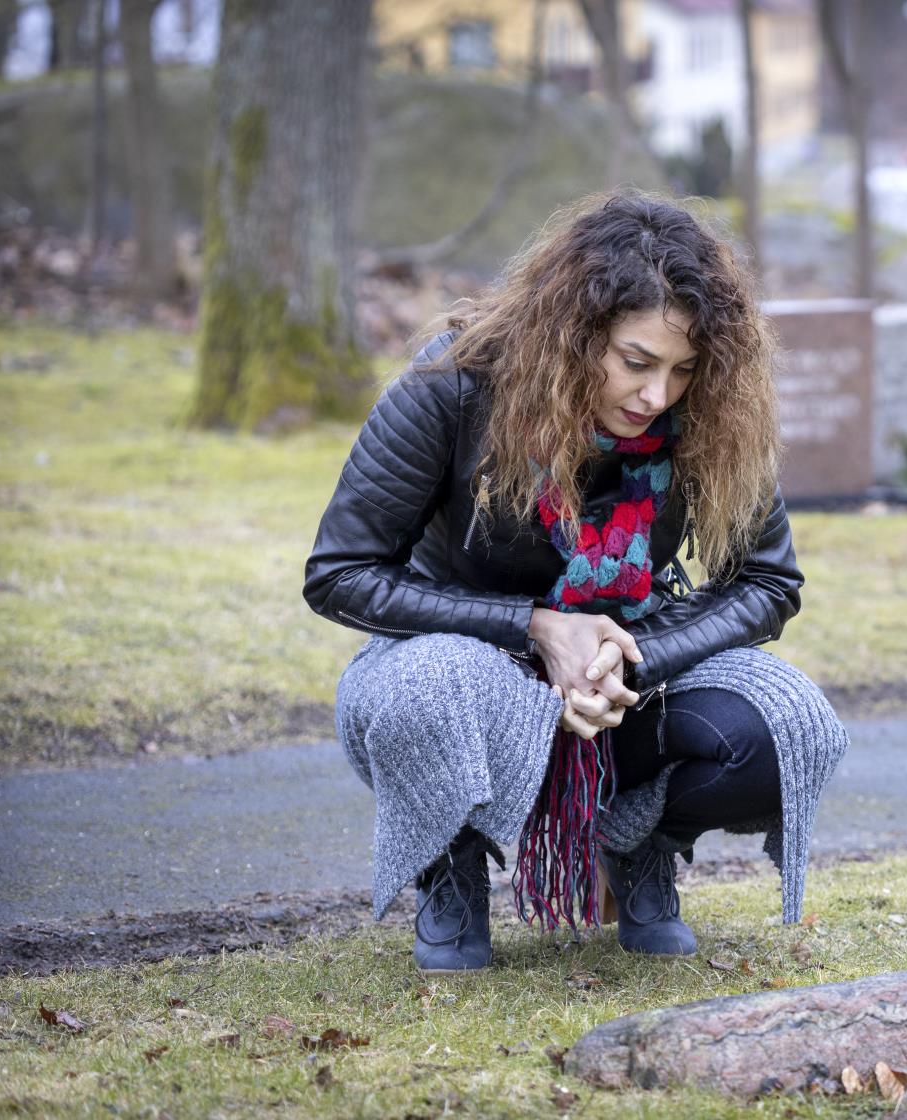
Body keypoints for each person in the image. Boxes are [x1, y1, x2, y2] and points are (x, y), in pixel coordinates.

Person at [302, 191, 848, 974]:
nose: (657, 395)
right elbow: (339, 575)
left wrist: (633, 656)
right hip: (460, 664)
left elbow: (767, 582)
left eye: (683, 369)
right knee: (433, 683)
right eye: (636, 361)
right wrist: (535, 625)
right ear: (576, 332)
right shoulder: (455, 385)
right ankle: (446, 864)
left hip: (627, 669)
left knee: (791, 728)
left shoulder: (710, 417)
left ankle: (635, 839)